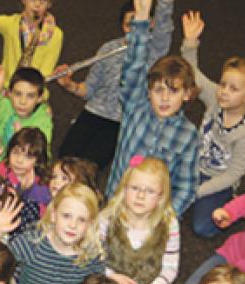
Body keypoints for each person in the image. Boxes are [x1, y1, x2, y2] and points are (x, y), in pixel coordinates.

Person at [105, 0, 198, 218]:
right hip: (117, 206)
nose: (164, 98)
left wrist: (164, 218)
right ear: (148, 92)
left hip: (154, 217)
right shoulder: (135, 107)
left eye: (173, 92)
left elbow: (186, 187)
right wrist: (142, 18)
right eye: (158, 90)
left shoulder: (188, 134)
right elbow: (134, 66)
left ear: (186, 94)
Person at [56, 0, 174, 170]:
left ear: (151, 23)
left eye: (139, 21)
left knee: (89, 168)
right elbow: (88, 90)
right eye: (128, 24)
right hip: (92, 113)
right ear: (123, 27)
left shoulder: (155, 50)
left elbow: (164, 24)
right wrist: (68, 84)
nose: (134, 28)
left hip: (121, 122)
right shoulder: (109, 48)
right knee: (63, 161)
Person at [180, 11, 245, 239]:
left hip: (218, 178)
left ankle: (238, 202)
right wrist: (190, 42)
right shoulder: (216, 99)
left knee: (203, 228)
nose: (224, 92)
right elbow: (193, 76)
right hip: (193, 164)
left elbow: (233, 173)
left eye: (233, 89)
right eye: (223, 84)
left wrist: (196, 192)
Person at [9, 182, 105, 284]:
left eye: (81, 220)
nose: (72, 225)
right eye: (66, 216)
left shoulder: (92, 256)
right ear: (53, 214)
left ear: (90, 224)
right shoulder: (31, 243)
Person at [98, 155, 179, 284]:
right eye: (135, 188)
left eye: (150, 191)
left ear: (160, 196)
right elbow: (92, 256)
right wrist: (110, 276)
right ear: (124, 188)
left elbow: (170, 269)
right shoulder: (108, 217)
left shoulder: (169, 224)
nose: (141, 196)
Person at [0, 63, 52, 168]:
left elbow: (44, 156)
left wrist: (22, 138)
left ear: (40, 98)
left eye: (30, 96)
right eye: (18, 94)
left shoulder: (42, 120)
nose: (23, 102)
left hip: (18, 174)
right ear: (9, 93)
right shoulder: (5, 105)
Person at [0, 0, 63, 87]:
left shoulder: (55, 34)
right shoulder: (11, 23)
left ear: (49, 4)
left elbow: (45, 73)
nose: (37, 4)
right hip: (5, 89)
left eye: (43, 1)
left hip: (34, 94)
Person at [0, 127, 52, 238]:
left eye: (28, 156)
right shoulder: (2, 170)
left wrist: (28, 189)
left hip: (23, 235)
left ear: (38, 160)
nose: (19, 160)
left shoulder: (41, 185)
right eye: (16, 153)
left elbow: (44, 212)